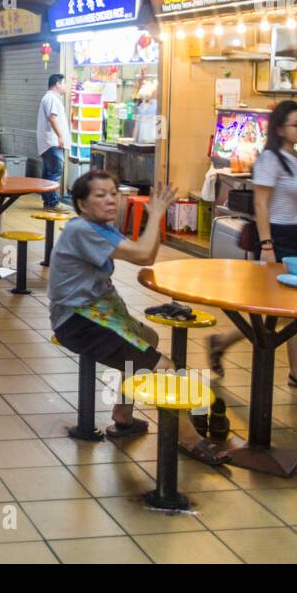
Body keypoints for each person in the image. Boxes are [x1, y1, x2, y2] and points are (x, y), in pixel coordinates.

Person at [49, 170, 229, 463]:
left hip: (95, 314)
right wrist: (156, 214)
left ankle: (123, 413)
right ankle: (189, 439)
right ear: (81, 204)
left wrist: (154, 218)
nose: (110, 200)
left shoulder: (100, 228)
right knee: (165, 366)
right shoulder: (81, 230)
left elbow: (146, 253)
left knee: (150, 337)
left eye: (113, 193)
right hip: (79, 322)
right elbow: (144, 255)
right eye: (100, 195)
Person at [205, 101, 297, 394]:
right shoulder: (270, 159)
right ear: (281, 128)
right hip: (276, 237)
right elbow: (261, 203)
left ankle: (295, 371)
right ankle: (227, 343)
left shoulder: (295, 158)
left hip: (295, 237)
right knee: (280, 310)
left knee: (295, 308)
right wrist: (267, 244)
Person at [37, 73, 72, 213]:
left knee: (48, 173)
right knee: (54, 173)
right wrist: (60, 136)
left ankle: (47, 202)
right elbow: (52, 118)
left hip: (49, 143)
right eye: (64, 83)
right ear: (57, 84)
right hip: (52, 142)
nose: (65, 86)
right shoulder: (51, 98)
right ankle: (53, 203)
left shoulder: (50, 98)